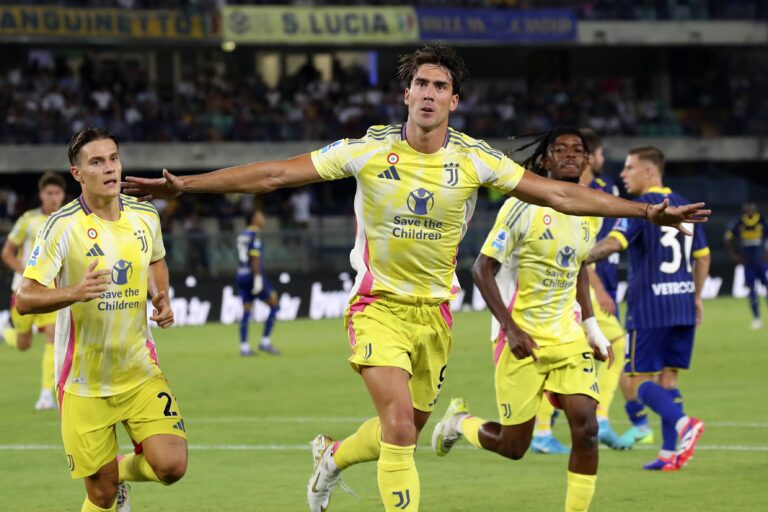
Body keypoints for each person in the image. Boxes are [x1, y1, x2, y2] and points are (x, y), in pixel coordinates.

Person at [122, 44, 708, 512]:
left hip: (436, 316)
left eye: (440, 87)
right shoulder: (368, 150)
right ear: (407, 94)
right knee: (401, 427)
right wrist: (187, 185)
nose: (428, 93)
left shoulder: (475, 159)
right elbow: (276, 174)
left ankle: (330, 459)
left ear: (454, 101)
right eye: (421, 84)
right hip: (377, 305)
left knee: (397, 428)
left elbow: (559, 192)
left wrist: (647, 211)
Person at [432, 127, 613, 512]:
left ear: (585, 161)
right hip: (521, 338)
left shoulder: (591, 210)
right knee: (514, 447)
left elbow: (577, 265)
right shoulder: (521, 206)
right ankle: (459, 422)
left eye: (577, 150)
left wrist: (591, 326)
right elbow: (482, 269)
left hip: (567, 337)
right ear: (544, 160)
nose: (569, 154)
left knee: (587, 430)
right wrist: (510, 328)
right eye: (559, 149)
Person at [15, 128, 187, 512]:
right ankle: (112, 482)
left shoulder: (145, 214)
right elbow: (24, 298)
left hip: (139, 371)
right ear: (77, 174)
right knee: (102, 496)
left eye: (113, 158)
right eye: (97, 162)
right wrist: (74, 292)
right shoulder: (61, 225)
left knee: (172, 465)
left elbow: (156, 259)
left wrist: (161, 295)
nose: (109, 168)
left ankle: (116, 472)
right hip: (83, 383)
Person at [587, 146, 710, 471]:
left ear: (649, 171)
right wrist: (696, 297)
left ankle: (684, 424)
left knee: (636, 382)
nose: (623, 174)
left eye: (629, 168)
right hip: (683, 304)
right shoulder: (686, 202)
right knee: (668, 381)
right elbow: (703, 257)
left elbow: (614, 243)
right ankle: (671, 454)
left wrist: (581, 256)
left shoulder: (642, 208)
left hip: (650, 308)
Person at [580, 129, 650, 450]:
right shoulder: (571, 191)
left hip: (604, 276)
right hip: (589, 280)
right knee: (610, 344)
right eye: (601, 154)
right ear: (589, 156)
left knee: (602, 351)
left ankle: (634, 421)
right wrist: (597, 285)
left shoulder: (605, 188)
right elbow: (582, 248)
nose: (605, 161)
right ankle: (606, 418)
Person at [1, 172, 66, 410]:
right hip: (24, 292)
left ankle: (46, 394)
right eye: (49, 193)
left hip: (49, 292)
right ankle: (5, 332)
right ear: (41, 195)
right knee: (23, 344)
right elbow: (7, 252)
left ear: (62, 195)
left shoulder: (66, 220)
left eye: (57, 193)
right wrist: (26, 272)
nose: (53, 197)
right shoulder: (27, 221)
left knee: (52, 335)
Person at [236, 209, 280, 356]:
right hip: (252, 275)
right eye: (261, 215)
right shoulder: (255, 234)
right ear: (254, 218)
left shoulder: (242, 235)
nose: (264, 218)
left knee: (247, 310)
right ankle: (265, 342)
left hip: (241, 275)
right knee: (274, 304)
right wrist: (258, 278)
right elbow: (254, 258)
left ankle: (244, 346)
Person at [724, 202, 768, 329]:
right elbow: (727, 238)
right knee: (752, 291)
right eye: (747, 210)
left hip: (762, 263)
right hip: (748, 264)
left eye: (751, 210)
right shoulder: (739, 223)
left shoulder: (762, 221)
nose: (749, 212)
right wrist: (734, 254)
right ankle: (757, 319)